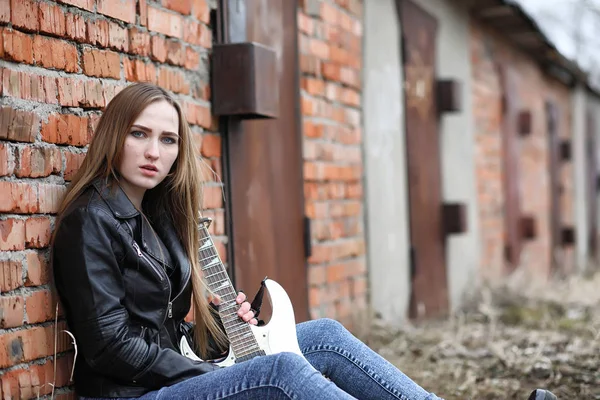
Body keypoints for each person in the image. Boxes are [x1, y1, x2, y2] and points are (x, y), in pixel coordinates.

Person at [51, 82, 557, 400]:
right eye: (139, 135)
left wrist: (227, 335)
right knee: (284, 372)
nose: (154, 152)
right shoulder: (89, 221)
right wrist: (201, 369)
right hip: (132, 394)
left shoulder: (158, 214)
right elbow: (111, 346)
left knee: (327, 335)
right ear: (114, 135)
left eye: (168, 140)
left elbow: (164, 324)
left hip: (174, 372)